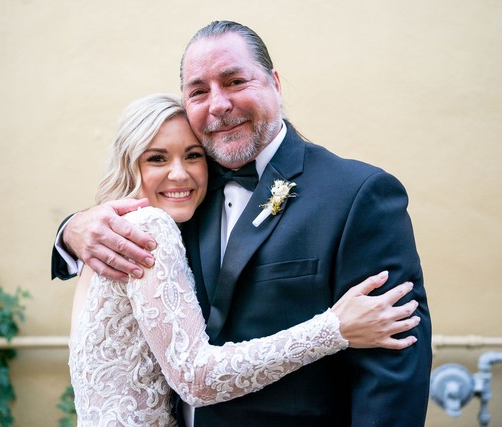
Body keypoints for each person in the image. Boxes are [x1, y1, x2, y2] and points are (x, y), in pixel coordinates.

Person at [55, 21, 432, 426]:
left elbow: (394, 367)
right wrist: (71, 230)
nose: (218, 104)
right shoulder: (180, 195)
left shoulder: (358, 195)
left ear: (274, 83)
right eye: (199, 91)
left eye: (235, 81)